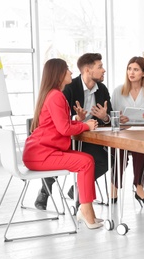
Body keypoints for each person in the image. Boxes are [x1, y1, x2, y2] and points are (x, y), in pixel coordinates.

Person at [23, 58, 103, 229]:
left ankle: (87, 209)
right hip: (41, 154)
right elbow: (64, 129)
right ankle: (86, 210)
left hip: (40, 152)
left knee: (87, 160)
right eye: (67, 69)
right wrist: (85, 125)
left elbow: (60, 124)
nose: (71, 72)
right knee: (86, 162)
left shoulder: (52, 94)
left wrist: (80, 123)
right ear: (59, 74)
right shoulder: (56, 96)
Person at [34, 53, 112, 210]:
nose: (104, 70)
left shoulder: (102, 89)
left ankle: (77, 189)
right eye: (100, 67)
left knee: (104, 161)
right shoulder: (68, 87)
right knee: (57, 157)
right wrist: (77, 117)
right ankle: (45, 192)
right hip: (67, 137)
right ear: (87, 70)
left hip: (88, 138)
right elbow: (59, 119)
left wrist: (105, 117)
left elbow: (109, 114)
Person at [110, 56, 144, 206]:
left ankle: (139, 188)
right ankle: (114, 186)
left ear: (143, 73)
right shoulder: (118, 90)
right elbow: (112, 116)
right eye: (129, 69)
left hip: (142, 131)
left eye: (136, 69)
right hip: (123, 131)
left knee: (140, 146)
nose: (131, 72)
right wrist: (119, 119)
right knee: (121, 150)